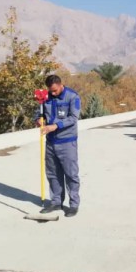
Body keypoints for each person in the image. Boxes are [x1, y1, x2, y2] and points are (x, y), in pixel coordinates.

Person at [37, 74, 81, 217]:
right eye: (51, 91)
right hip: (50, 142)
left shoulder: (72, 97)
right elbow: (40, 113)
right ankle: (56, 202)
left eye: (55, 90)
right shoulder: (46, 97)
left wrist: (55, 126)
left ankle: (73, 205)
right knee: (53, 174)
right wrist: (39, 120)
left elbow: (73, 118)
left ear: (61, 85)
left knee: (70, 174)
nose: (53, 93)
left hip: (67, 142)